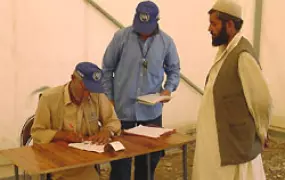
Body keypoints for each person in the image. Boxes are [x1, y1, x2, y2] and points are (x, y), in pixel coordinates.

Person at [191, 0, 272, 180]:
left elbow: (261, 100)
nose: (209, 28)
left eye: (213, 23)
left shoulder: (242, 55)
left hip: (233, 143)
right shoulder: (225, 50)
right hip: (215, 140)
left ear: (229, 25)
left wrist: (262, 131)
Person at [102, 1, 180, 180]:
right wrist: (110, 99)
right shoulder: (121, 37)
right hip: (122, 114)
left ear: (156, 22)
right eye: (140, 26)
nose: (143, 32)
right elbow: (106, 69)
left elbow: (174, 70)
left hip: (151, 116)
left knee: (147, 166)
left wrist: (168, 90)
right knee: (120, 166)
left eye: (147, 27)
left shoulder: (166, 42)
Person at [31, 62, 121, 180]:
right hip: (58, 164)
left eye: (91, 89)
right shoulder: (49, 98)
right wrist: (63, 135)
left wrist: (107, 131)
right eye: (85, 88)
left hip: (86, 162)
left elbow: (114, 121)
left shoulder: (96, 95)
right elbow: (37, 132)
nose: (88, 94)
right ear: (73, 79)